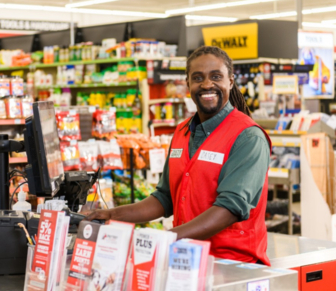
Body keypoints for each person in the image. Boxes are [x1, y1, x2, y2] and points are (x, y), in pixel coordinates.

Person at [86, 46, 271, 265]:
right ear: (188, 84)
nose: (206, 84)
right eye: (198, 78)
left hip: (233, 264)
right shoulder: (183, 132)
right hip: (186, 260)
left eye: (216, 76)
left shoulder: (248, 138)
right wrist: (112, 215)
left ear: (230, 81)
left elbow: (229, 209)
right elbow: (165, 198)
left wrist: (167, 237)